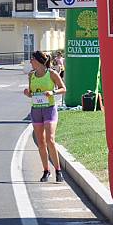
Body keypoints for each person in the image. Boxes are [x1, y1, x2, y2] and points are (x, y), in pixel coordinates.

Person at [23, 50, 66, 183]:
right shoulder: (31, 75)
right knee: (40, 142)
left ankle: (58, 170)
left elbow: (63, 88)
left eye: (32, 60)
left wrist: (52, 92)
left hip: (49, 110)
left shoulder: (51, 73)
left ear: (39, 61)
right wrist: (28, 93)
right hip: (36, 110)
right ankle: (46, 171)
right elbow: (31, 92)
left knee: (50, 140)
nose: (30, 62)